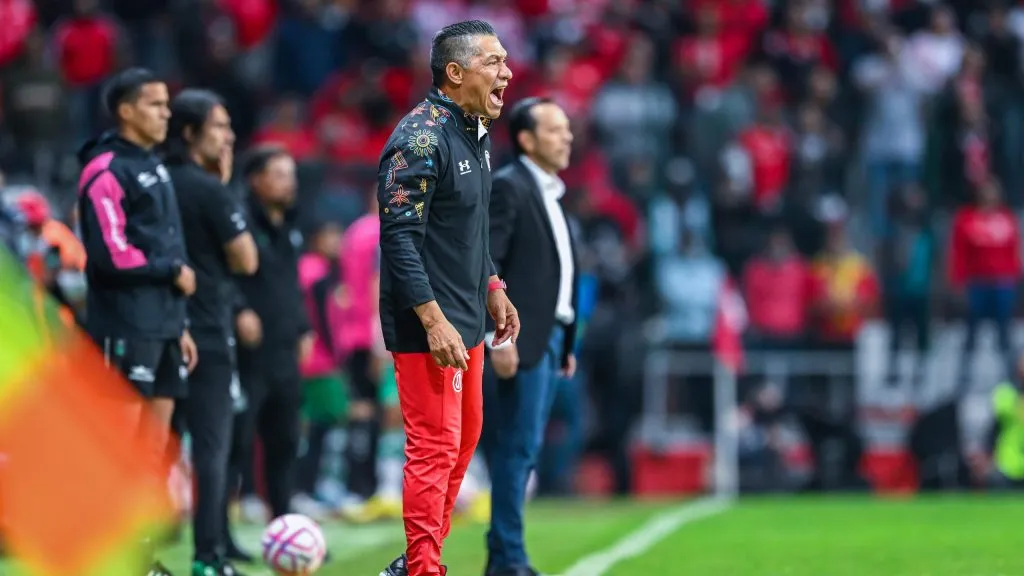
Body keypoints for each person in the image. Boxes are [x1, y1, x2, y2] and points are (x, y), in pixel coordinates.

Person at [376, 20, 519, 576]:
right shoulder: (419, 138)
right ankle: (424, 569)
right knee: (435, 448)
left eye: (506, 61)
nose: (506, 72)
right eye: (493, 63)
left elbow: (466, 230)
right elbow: (400, 237)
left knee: (463, 445)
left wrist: (492, 287)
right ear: (455, 72)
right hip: (429, 324)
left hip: (465, 317)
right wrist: (433, 322)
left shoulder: (475, 134)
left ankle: (417, 560)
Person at [75, 67, 198, 576]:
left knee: (152, 451)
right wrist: (171, 271)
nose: (165, 113)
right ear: (125, 110)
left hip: (164, 326)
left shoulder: (154, 164)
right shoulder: (104, 169)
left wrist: (181, 322)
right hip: (125, 324)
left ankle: (140, 559)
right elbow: (109, 254)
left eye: (166, 105)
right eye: (154, 105)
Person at [162, 88, 259, 576]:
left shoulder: (155, 180)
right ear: (190, 133)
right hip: (205, 331)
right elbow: (246, 258)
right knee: (213, 448)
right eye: (219, 126)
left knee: (153, 447)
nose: (229, 135)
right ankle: (208, 555)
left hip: (157, 330)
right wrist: (222, 188)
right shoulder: (207, 189)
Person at [481, 97, 578, 576]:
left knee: (525, 447)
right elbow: (488, 261)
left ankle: (503, 554)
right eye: (556, 129)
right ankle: (509, 558)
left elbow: (557, 274)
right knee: (517, 447)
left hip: (551, 337)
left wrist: (568, 338)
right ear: (526, 139)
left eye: (567, 129)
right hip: (520, 337)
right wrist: (498, 335)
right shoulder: (510, 187)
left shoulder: (550, 191)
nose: (567, 137)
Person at [232, 146, 314, 523]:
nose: (289, 183)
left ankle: (282, 518)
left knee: (285, 439)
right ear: (256, 180)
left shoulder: (290, 224)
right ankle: (227, 517)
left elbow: (291, 284)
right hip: (247, 350)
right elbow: (221, 273)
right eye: (279, 175)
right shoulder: (239, 219)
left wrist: (303, 327)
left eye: (291, 175)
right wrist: (238, 310)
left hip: (283, 347)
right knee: (240, 436)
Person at [338, 189, 404, 522]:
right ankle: (382, 488)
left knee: (362, 412)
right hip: (378, 335)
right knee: (390, 413)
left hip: (352, 335)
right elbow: (378, 285)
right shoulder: (384, 231)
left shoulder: (353, 233)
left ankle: (357, 488)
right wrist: (382, 338)